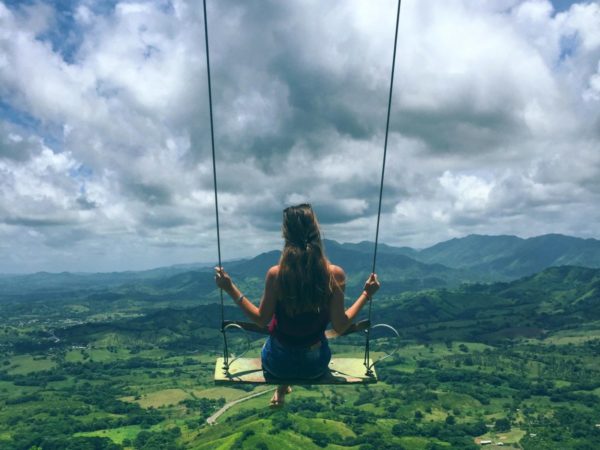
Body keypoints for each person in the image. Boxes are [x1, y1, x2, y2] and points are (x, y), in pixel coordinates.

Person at [214, 203, 380, 407]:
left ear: (286, 235)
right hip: (315, 366)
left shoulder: (277, 274)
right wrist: (366, 294)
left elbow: (261, 320)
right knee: (302, 348)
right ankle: (282, 388)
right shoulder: (334, 274)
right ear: (316, 232)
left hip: (278, 366)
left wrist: (229, 287)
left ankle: (281, 387)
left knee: (275, 344)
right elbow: (340, 326)